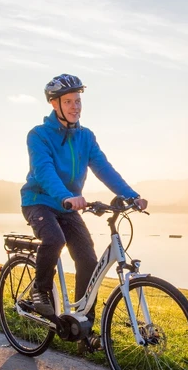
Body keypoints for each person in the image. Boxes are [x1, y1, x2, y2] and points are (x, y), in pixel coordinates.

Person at [20, 74, 147, 340]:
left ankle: (84, 325)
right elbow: (43, 172)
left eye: (78, 101)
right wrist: (66, 195)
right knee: (53, 239)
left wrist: (131, 195)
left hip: (68, 207)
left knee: (88, 259)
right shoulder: (39, 135)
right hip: (40, 201)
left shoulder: (86, 137)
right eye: (68, 101)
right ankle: (40, 290)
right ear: (55, 104)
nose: (75, 106)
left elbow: (103, 168)